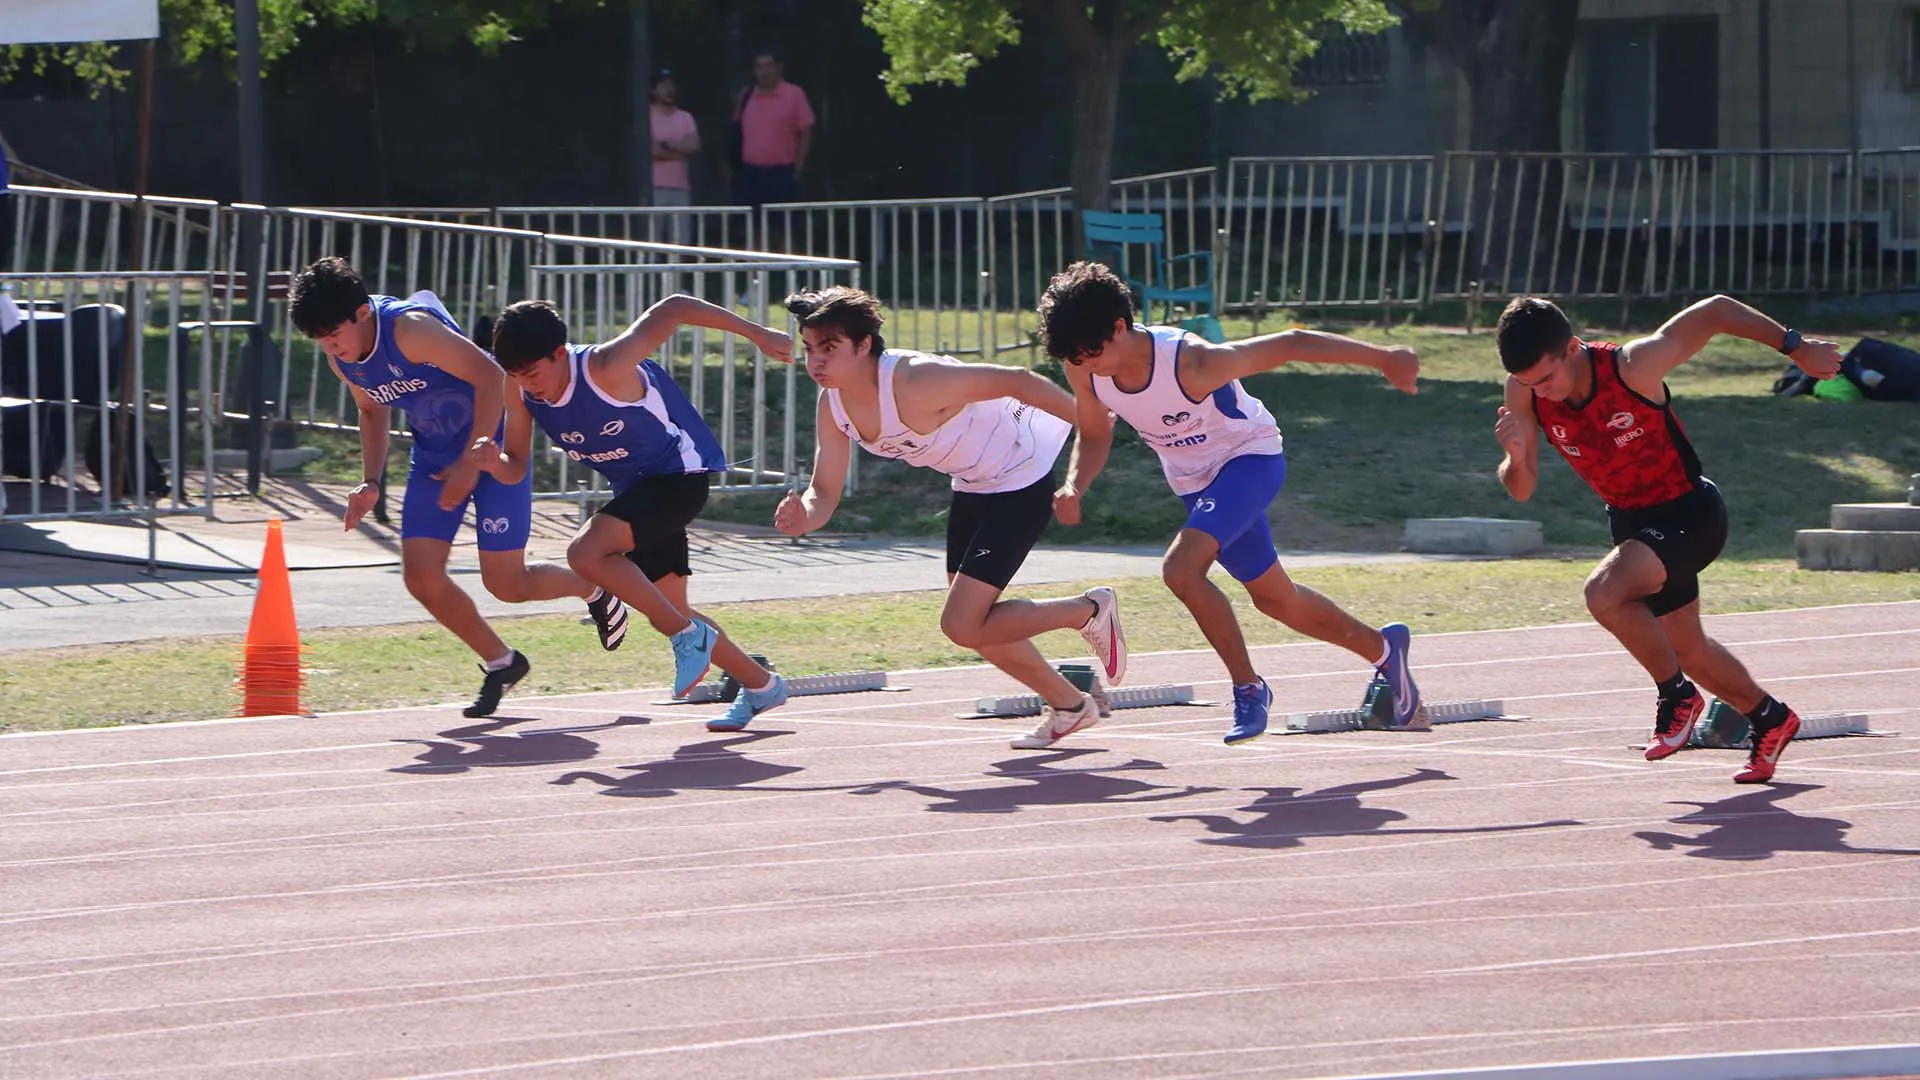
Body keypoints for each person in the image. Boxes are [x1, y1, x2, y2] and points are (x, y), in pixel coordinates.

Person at [1038, 261, 1423, 746]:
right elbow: (1095, 434)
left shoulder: (1191, 363)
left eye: (1091, 353)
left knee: (1181, 570)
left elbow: (1291, 343)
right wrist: (1075, 485)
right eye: (1075, 357)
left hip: (1249, 459)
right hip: (1195, 482)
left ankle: (1249, 688)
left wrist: (1384, 357)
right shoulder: (1084, 366)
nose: (1086, 364)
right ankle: (1386, 651)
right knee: (1275, 598)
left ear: (1119, 327)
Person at [1493, 295, 1843, 783]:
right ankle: (1769, 718)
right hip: (1632, 525)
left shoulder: (1632, 367)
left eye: (1547, 379)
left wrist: (1796, 346)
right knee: (1688, 649)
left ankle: (1677, 696)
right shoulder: (1524, 391)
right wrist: (1514, 456)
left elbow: (1714, 312)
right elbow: (1522, 488)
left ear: (1572, 348)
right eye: (1531, 384)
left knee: (1604, 594)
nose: (1542, 393)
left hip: (1690, 514)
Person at [772, 286, 1127, 750]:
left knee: (963, 625)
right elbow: (824, 491)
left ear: (863, 345)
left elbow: (1019, 380)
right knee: (977, 627)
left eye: (829, 348)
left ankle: (1088, 610)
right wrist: (804, 518)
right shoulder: (833, 404)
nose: (816, 361)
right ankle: (1071, 706)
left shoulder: (917, 380)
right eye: (809, 349)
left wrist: (1088, 419)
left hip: (1020, 478)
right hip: (973, 485)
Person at [289, 258, 624, 718]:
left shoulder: (410, 330)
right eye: (320, 340)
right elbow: (370, 410)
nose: (330, 348)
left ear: (363, 313)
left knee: (507, 584)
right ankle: (502, 662)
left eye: (333, 335)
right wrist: (371, 480)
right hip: (433, 458)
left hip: (493, 448)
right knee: (421, 578)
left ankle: (593, 587)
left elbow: (492, 376)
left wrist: (472, 459)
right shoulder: (342, 357)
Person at [489, 294, 792, 732]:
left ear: (559, 353)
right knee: (672, 609)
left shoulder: (605, 367)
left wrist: (757, 333)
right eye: (514, 374)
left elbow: (673, 308)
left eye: (532, 372)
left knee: (586, 554)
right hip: (637, 491)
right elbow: (515, 464)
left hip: (678, 477)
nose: (526, 384)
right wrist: (491, 461)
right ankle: (762, 685)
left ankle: (687, 637)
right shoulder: (518, 387)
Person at [731, 49, 813, 211]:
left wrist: (797, 170)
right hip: (750, 174)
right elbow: (734, 131)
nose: (764, 71)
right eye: (759, 66)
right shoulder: (746, 95)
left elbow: (806, 132)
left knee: (783, 223)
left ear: (779, 68)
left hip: (782, 174)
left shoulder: (795, 94)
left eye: (769, 66)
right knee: (751, 223)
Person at [647, 69, 699, 244]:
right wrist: (681, 151)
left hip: (681, 189)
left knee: (680, 243)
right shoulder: (646, 116)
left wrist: (666, 145)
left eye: (671, 85)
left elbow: (694, 145)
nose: (669, 90)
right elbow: (653, 150)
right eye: (663, 86)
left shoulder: (685, 117)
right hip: (655, 189)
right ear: (653, 90)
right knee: (652, 243)